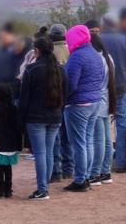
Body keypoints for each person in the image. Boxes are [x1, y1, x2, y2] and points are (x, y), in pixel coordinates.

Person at [19, 37, 67, 200]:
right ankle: (44, 186)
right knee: (48, 152)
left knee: (40, 153)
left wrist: (21, 119)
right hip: (55, 116)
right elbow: (67, 91)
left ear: (36, 51)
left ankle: (42, 189)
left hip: (35, 117)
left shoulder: (31, 70)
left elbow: (24, 98)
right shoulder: (60, 69)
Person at [63, 25, 105, 192]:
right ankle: (86, 176)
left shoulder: (76, 57)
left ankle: (80, 180)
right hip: (95, 102)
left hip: (78, 105)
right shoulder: (95, 54)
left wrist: (62, 98)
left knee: (79, 143)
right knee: (87, 141)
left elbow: (71, 84)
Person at [100, 11, 126, 173]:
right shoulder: (125, 40)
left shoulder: (97, 40)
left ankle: (104, 162)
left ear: (104, 24)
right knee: (123, 124)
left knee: (101, 124)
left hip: (102, 89)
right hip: (123, 87)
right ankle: (122, 162)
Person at [89, 32, 117, 185]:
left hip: (97, 101)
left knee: (98, 140)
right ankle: (106, 171)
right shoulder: (108, 58)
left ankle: (95, 173)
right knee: (106, 139)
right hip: (107, 101)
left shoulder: (95, 59)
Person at [49, 23, 72, 181]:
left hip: (53, 100)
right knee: (68, 137)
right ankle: (69, 169)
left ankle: (56, 171)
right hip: (69, 99)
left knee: (55, 137)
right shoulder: (72, 49)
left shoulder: (48, 51)